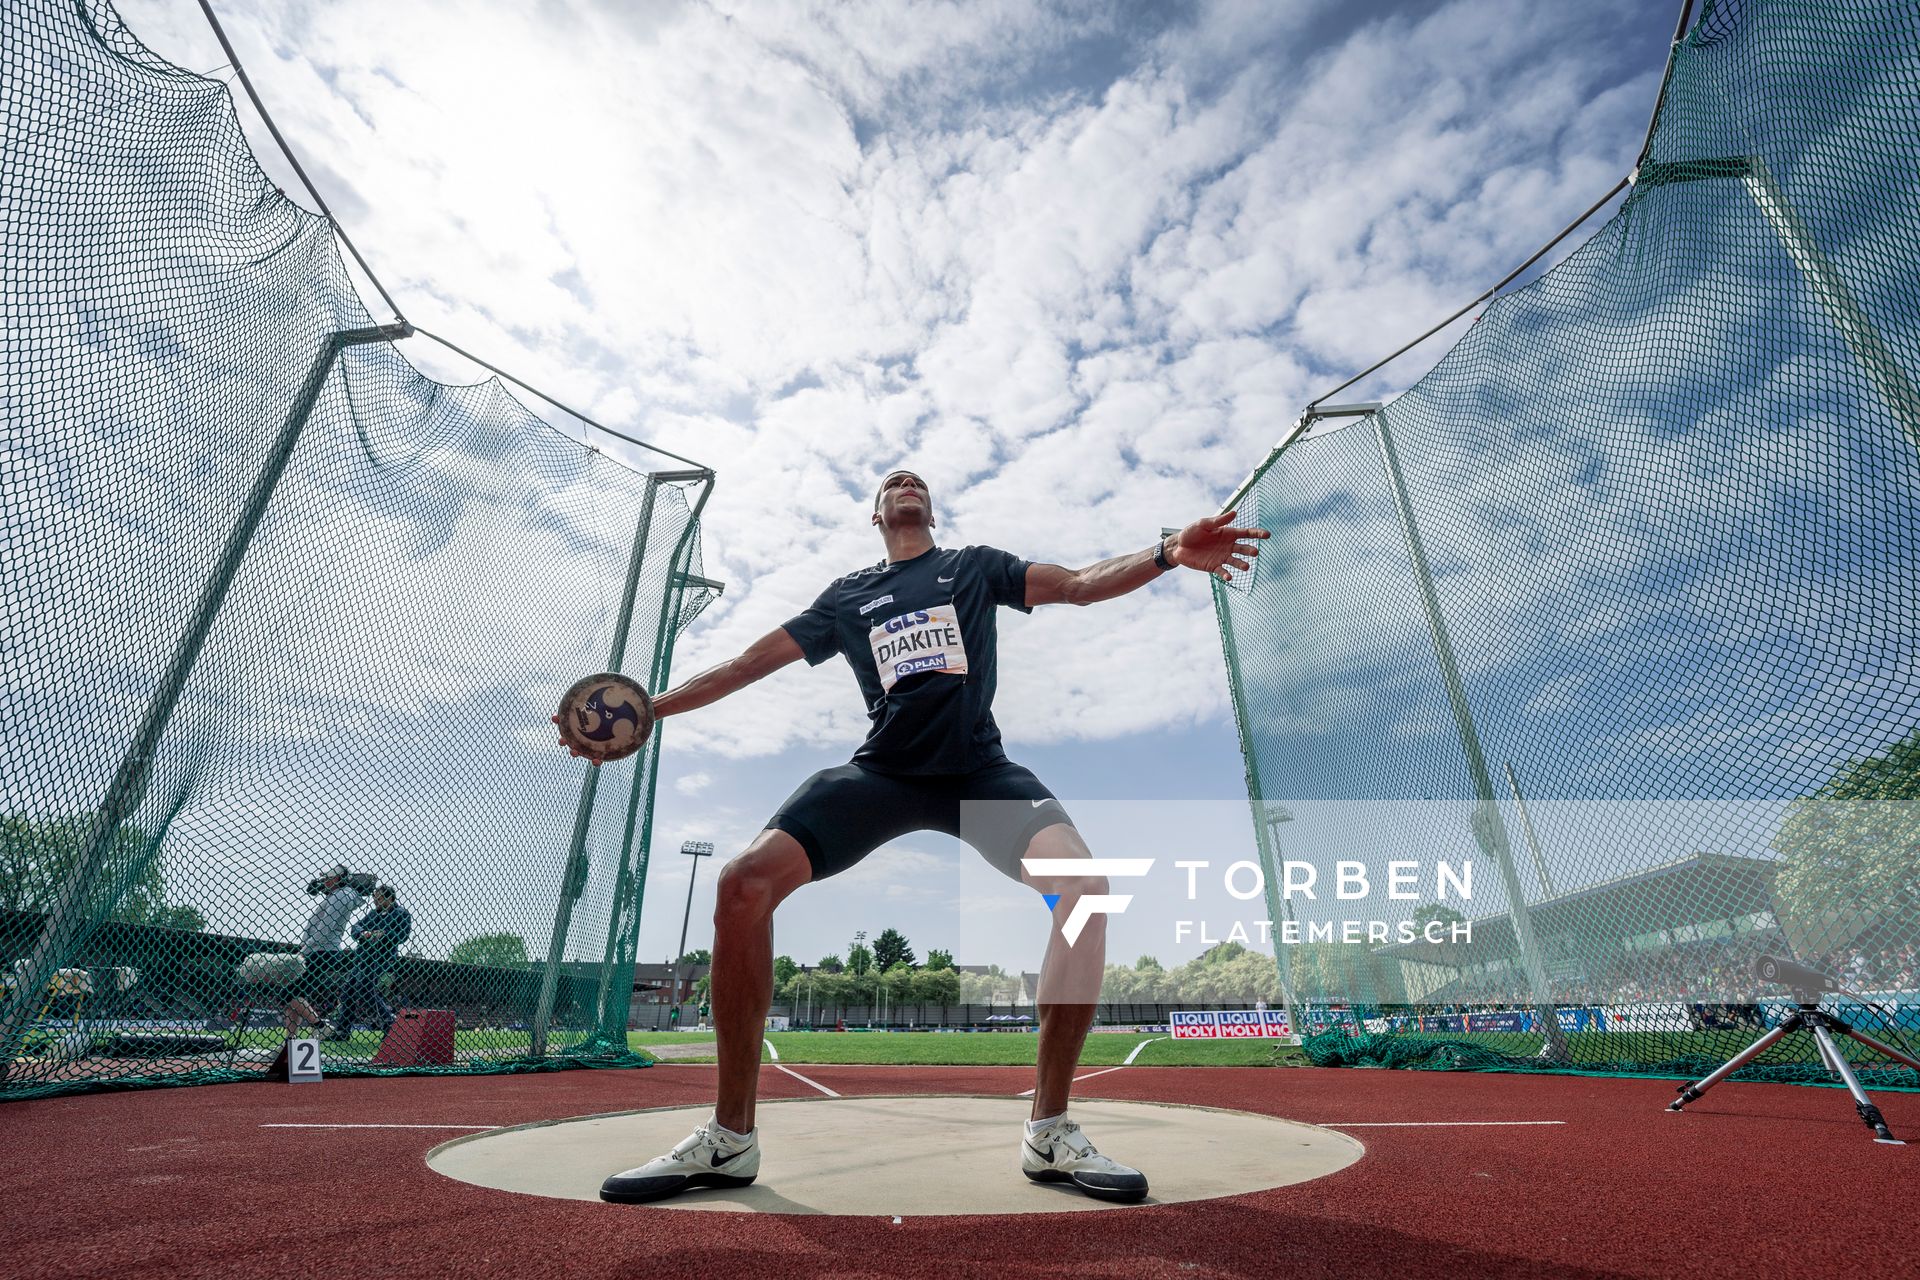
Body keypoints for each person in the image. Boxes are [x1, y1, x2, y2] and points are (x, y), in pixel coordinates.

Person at [558, 469, 1265, 1204]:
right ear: (877, 513)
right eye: (893, 482)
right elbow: (746, 665)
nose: (906, 483)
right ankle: (729, 1139)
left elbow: (1081, 583)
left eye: (917, 481)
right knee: (742, 883)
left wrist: (1169, 551)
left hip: (977, 774)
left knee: (1084, 889)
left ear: (929, 506)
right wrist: (648, 711)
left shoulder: (971, 567)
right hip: (883, 776)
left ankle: (1049, 1131)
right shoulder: (848, 596)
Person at [282, 865, 366, 1038]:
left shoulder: (340, 896)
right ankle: (290, 1040)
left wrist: (305, 948)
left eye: (328, 879)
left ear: (337, 880)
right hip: (320, 949)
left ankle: (320, 1026)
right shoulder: (338, 895)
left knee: (287, 994)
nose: (324, 882)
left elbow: (325, 928)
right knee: (297, 995)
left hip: (321, 950)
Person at [333, 885, 411, 1041]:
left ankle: (389, 1024)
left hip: (382, 958)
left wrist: (383, 935)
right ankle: (343, 1030)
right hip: (363, 958)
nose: (375, 900)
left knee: (366, 988)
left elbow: (402, 936)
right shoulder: (373, 914)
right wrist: (363, 933)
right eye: (375, 897)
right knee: (349, 989)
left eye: (379, 897)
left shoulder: (401, 913)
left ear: (390, 898)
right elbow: (356, 926)